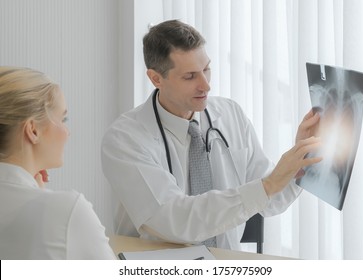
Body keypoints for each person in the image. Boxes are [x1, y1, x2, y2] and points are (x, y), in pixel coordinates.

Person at [101, 19, 321, 251]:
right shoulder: (125, 138)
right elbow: (174, 221)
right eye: (190, 76)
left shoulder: (230, 115)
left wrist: (301, 160)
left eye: (206, 69)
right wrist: (267, 186)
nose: (205, 86)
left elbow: (268, 201)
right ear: (156, 79)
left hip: (224, 263)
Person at [0, 66, 116, 259]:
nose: (67, 132)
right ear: (33, 130)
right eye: (63, 119)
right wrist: (42, 202)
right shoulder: (66, 211)